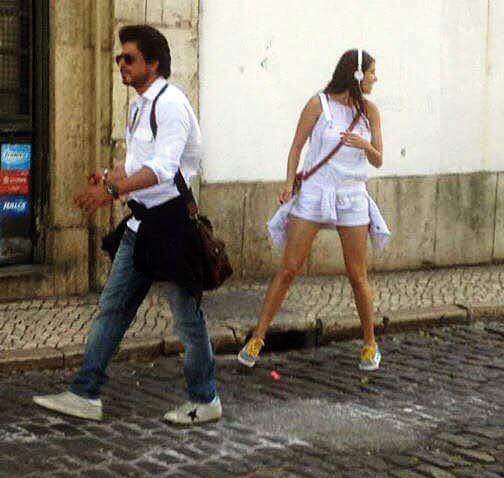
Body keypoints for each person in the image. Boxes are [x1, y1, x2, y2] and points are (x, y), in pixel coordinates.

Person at [33, 25, 222, 426]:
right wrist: (110, 176)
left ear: (153, 64)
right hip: (142, 224)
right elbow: (139, 165)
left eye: (130, 58)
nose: (121, 64)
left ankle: (205, 399)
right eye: (120, 58)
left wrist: (113, 190)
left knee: (187, 318)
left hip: (172, 225)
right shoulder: (139, 106)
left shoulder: (170, 104)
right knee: (113, 309)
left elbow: (164, 169)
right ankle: (85, 393)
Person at [238, 49, 390, 370]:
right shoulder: (318, 104)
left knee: (357, 274)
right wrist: (288, 183)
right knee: (289, 268)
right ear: (356, 74)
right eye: (372, 73)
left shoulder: (370, 111)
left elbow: (378, 160)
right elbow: (297, 146)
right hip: (315, 192)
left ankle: (370, 343)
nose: (375, 79)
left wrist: (365, 145)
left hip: (352, 196)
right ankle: (258, 337)